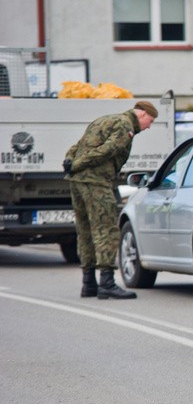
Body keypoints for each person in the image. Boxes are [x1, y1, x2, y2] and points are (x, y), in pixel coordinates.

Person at [63, 100, 158, 299]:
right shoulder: (125, 126)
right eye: (150, 121)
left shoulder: (104, 120)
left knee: (85, 230)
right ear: (141, 115)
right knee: (106, 229)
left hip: (77, 181)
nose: (149, 127)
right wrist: (80, 163)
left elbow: (77, 146)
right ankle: (106, 282)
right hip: (96, 181)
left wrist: (71, 162)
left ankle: (88, 282)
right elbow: (108, 150)